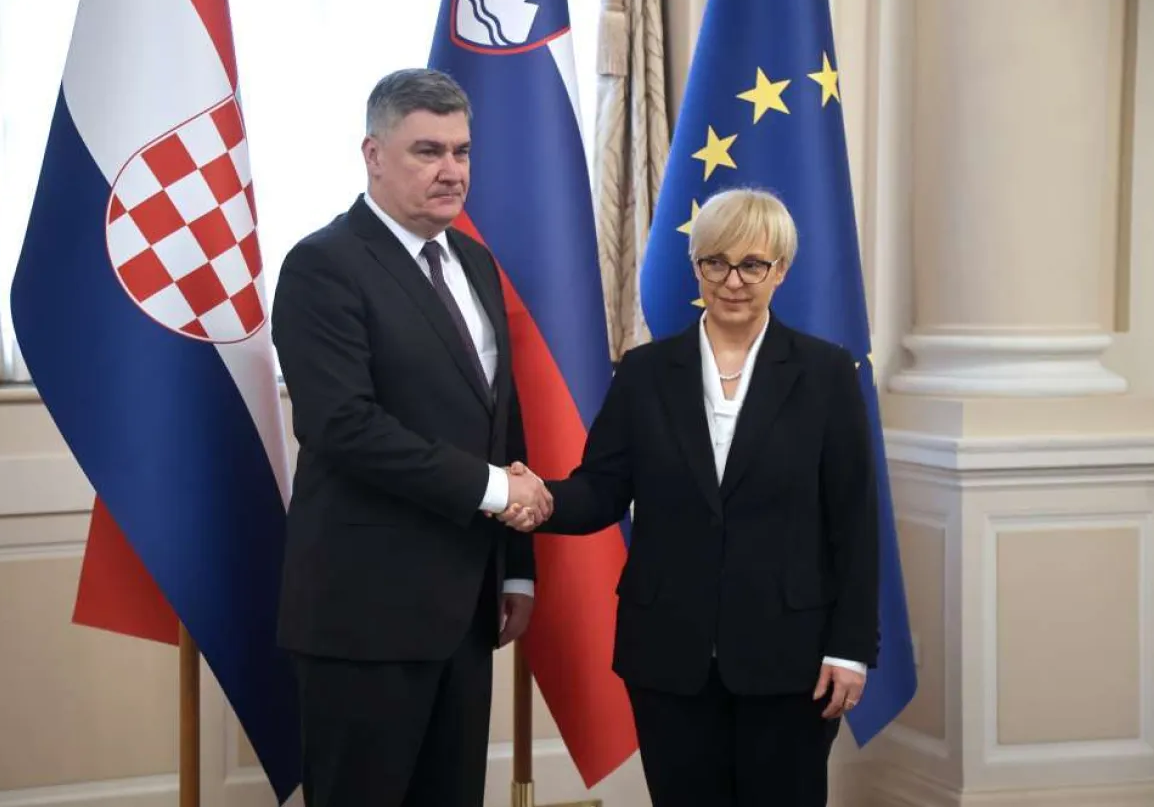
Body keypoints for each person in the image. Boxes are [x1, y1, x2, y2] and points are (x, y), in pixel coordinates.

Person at [500, 188, 879, 806]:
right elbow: (600, 490)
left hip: (792, 658)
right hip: (668, 655)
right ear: (695, 266)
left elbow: (854, 525)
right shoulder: (645, 372)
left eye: (752, 265)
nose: (733, 281)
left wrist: (851, 649)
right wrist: (539, 499)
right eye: (715, 262)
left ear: (781, 270)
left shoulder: (827, 374)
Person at [271, 68, 553, 807]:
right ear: (372, 154)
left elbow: (499, 419)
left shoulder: (476, 263)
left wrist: (516, 568)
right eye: (428, 151)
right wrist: (495, 491)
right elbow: (342, 425)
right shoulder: (322, 265)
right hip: (363, 617)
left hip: (467, 609)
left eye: (462, 151)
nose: (451, 170)